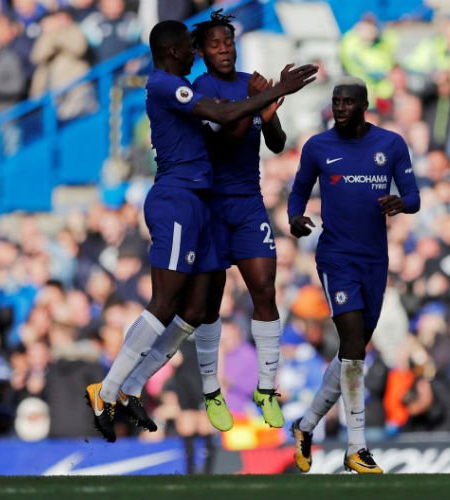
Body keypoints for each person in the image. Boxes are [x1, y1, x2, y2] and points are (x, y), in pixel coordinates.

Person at [84, 19, 316, 443]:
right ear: (178, 52)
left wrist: (267, 103)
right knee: (166, 301)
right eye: (195, 47)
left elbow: (258, 131)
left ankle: (131, 387)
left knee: (190, 311)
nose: (197, 53)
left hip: (199, 202)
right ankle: (109, 388)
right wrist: (275, 92)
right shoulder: (167, 85)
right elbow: (226, 119)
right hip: (177, 199)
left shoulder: (195, 84)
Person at [287, 77, 420, 474]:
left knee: (353, 351)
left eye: (348, 102)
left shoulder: (391, 144)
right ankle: (356, 447)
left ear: (364, 106)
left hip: (375, 261)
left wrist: (401, 202)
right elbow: (297, 190)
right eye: (336, 102)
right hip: (336, 258)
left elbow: (414, 196)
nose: (340, 108)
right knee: (353, 346)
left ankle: (306, 424)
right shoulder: (317, 146)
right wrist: (295, 217)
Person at [187, 10, 286, 431]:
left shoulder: (252, 83)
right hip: (211, 205)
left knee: (264, 287)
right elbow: (226, 136)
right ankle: (211, 390)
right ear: (202, 52)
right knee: (210, 300)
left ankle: (267, 388)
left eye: (228, 42)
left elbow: (277, 143)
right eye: (215, 44)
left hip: (248, 202)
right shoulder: (200, 90)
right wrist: (262, 99)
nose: (224, 49)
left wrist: (270, 108)